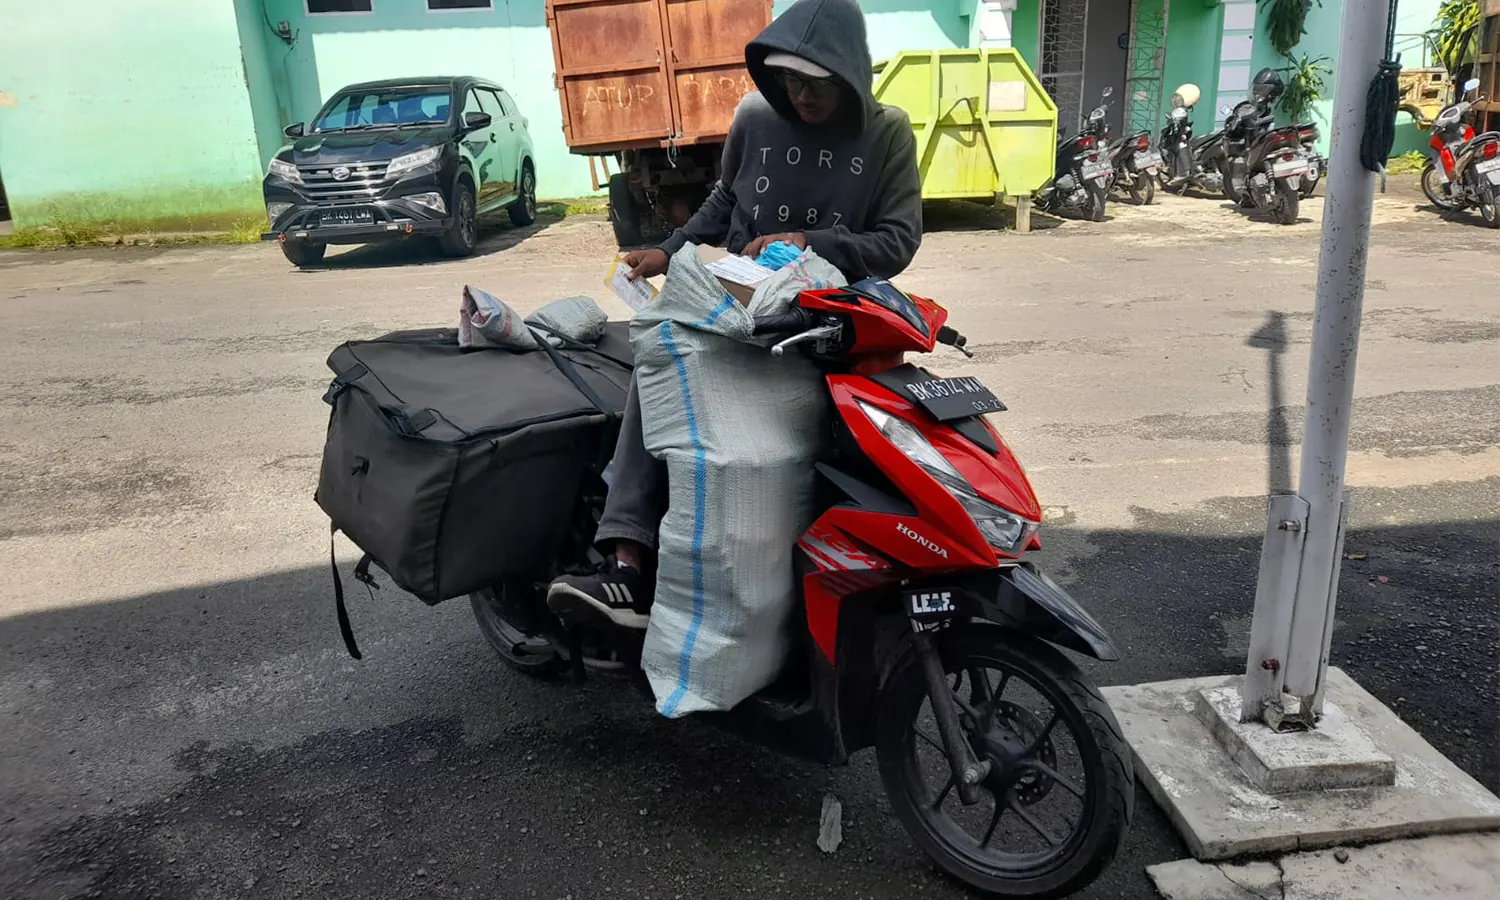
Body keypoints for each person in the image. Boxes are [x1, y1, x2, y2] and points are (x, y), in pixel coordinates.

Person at [547, 0, 922, 632]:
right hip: (734, 304)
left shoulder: (887, 133)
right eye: (789, 81)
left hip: (825, 321)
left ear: (850, 76)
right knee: (659, 360)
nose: (800, 96)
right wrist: (667, 251)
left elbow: (898, 240)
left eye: (816, 84)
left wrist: (811, 243)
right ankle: (627, 560)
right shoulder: (755, 116)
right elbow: (726, 199)